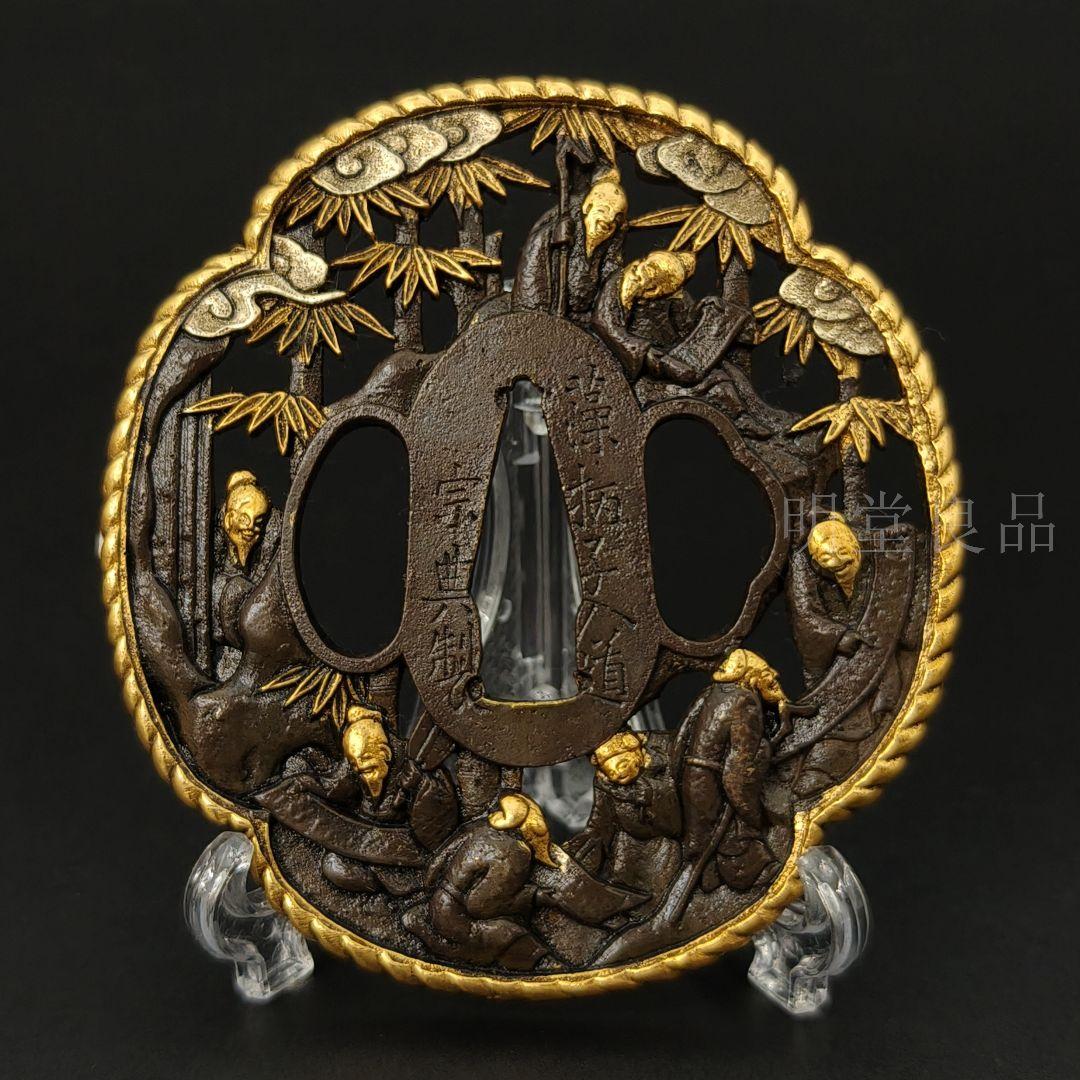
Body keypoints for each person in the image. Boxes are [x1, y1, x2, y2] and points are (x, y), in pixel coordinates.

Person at [673, 649, 789, 895]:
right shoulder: (745, 700)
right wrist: (750, 812)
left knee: (703, 844)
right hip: (713, 785)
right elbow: (738, 766)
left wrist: (678, 775)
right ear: (751, 676)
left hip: (692, 779)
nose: (773, 678)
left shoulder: (711, 693)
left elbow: (681, 737)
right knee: (732, 840)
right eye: (766, 674)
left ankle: (707, 888)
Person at [402, 793, 559, 971]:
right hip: (453, 918)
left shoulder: (479, 829)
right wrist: (534, 896)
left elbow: (435, 866)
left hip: (437, 903)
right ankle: (544, 966)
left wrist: (432, 892)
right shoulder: (516, 853)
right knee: (512, 934)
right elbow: (479, 905)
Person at [565, 729, 682, 913]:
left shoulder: (663, 761)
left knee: (662, 896)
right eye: (611, 771)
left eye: (623, 764)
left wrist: (650, 794)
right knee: (625, 892)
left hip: (663, 847)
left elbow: (676, 820)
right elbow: (600, 823)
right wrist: (579, 849)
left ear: (638, 754)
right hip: (627, 849)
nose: (619, 774)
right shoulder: (605, 784)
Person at [511, 149, 627, 318]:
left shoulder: (610, 245)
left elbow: (611, 282)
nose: (609, 220)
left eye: (616, 218)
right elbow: (532, 277)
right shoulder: (557, 230)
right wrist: (554, 236)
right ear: (587, 208)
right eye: (603, 210)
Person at [787, 511, 874, 686]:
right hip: (840, 666)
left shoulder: (872, 550)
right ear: (815, 563)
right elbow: (804, 614)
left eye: (842, 552)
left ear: (855, 545)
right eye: (826, 558)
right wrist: (838, 637)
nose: (836, 562)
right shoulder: (802, 564)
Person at [591, 249, 704, 384]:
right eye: (638, 269)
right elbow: (604, 324)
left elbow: (685, 324)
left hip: (668, 346)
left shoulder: (674, 297)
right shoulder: (617, 284)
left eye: (655, 286)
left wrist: (702, 309)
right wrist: (651, 357)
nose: (635, 276)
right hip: (635, 360)